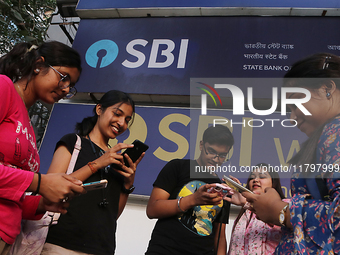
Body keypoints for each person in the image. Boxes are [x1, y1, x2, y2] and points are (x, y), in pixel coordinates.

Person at [242, 53, 340, 254]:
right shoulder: (326, 136)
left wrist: (281, 211)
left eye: (296, 103)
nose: (292, 117)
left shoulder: (335, 132)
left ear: (327, 88)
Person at [0, 41, 85, 255]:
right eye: (63, 77)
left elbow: (12, 197)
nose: (65, 89)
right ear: (39, 64)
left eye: (70, 85)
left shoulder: (28, 125)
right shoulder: (4, 88)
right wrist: (40, 182)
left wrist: (43, 204)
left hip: (7, 237)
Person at [41, 90, 144, 255]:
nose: (121, 122)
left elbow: (113, 215)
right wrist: (97, 164)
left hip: (101, 248)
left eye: (127, 119)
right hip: (60, 244)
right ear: (99, 109)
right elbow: (50, 188)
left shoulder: (116, 160)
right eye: (117, 114)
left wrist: (127, 184)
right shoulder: (73, 142)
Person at [145, 125, 233, 255]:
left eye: (222, 155)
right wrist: (193, 200)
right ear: (201, 145)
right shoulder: (178, 167)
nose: (216, 158)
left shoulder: (222, 188)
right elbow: (152, 209)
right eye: (211, 151)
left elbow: (219, 236)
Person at [224, 163, 288, 255]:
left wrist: (246, 203)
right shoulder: (245, 213)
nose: (255, 180)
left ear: (273, 183)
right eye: (252, 178)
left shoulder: (285, 205)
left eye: (262, 177)